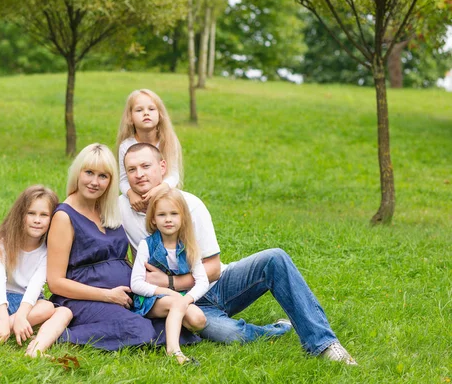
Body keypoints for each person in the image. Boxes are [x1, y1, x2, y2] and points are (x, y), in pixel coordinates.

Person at [119, 143, 358, 365]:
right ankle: (276, 329)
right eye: (132, 169)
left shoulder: (189, 205)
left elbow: (212, 269)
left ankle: (324, 343)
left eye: (146, 166)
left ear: (162, 168)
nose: (139, 174)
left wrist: (169, 282)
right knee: (231, 334)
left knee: (275, 257)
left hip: (217, 284)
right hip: (187, 307)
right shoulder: (121, 208)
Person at [47, 143, 198, 351]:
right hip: (82, 298)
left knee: (174, 328)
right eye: (89, 173)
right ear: (77, 173)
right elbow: (55, 282)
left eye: (103, 176)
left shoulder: (108, 209)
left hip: (124, 295)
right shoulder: (64, 216)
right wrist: (107, 295)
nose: (94, 182)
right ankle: (61, 335)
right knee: (140, 331)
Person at [0, 185, 73, 357]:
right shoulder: (2, 242)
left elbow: (36, 285)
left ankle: (36, 349)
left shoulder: (48, 249)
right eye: (31, 213)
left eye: (44, 215)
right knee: (47, 307)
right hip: (1, 305)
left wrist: (22, 316)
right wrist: (2, 320)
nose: (37, 220)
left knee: (65, 311)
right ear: (20, 214)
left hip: (29, 305)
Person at [131, 188, 208, 365]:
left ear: (183, 218)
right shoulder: (147, 245)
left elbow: (202, 280)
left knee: (198, 320)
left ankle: (171, 322)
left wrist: (187, 298)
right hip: (149, 299)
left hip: (180, 298)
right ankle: (174, 352)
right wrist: (170, 293)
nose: (168, 219)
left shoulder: (189, 245)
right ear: (153, 219)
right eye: (162, 214)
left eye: (174, 214)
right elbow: (136, 284)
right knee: (175, 303)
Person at [116, 89, 183, 212]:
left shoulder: (168, 141)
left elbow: (174, 174)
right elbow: (123, 179)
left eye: (151, 109)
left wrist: (161, 188)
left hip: (164, 193)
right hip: (138, 197)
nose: (146, 113)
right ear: (130, 118)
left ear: (160, 114)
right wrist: (131, 194)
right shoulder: (126, 146)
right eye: (139, 110)